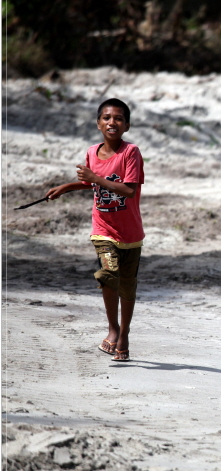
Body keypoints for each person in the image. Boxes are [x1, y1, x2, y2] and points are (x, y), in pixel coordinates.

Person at [46, 98, 145, 362]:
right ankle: (113, 329)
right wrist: (66, 187)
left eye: (119, 118)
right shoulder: (92, 152)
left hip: (131, 233)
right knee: (107, 274)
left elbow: (128, 189)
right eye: (107, 117)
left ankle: (124, 334)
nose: (112, 122)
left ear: (126, 125)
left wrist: (94, 179)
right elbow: (94, 185)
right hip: (103, 229)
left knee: (128, 287)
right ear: (98, 122)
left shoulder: (130, 153)